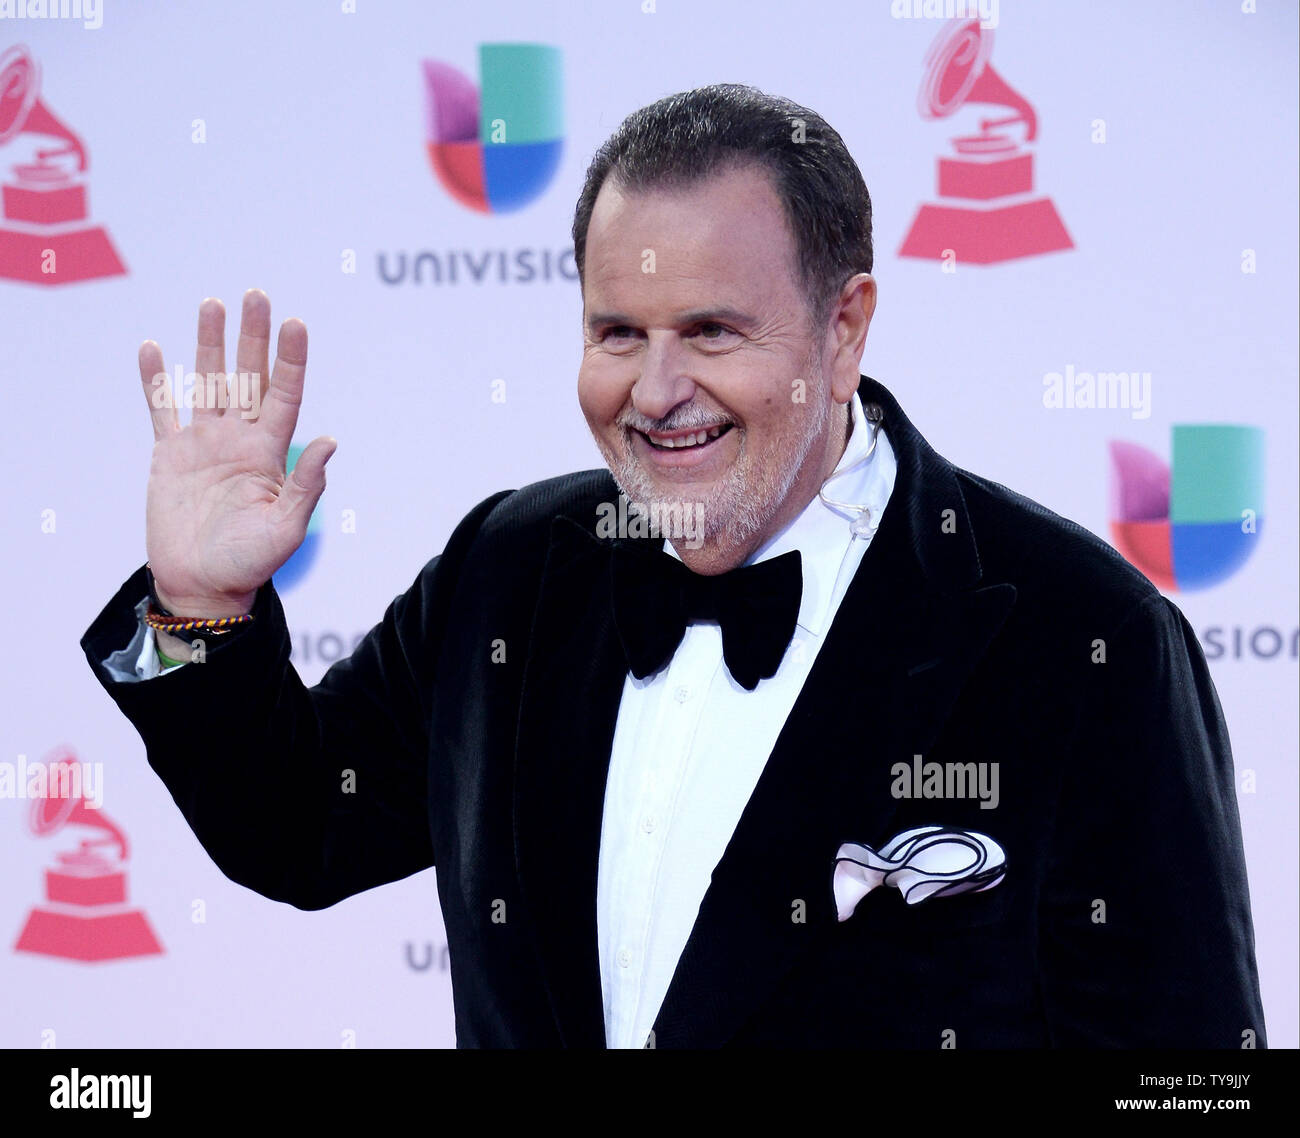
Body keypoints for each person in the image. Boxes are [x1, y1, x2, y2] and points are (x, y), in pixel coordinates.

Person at [82, 84, 1266, 1049]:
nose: (653, 394)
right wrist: (201, 603)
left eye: (710, 331)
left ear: (844, 327)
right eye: (616, 333)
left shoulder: (1077, 635)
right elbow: (301, 830)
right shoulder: (512, 568)